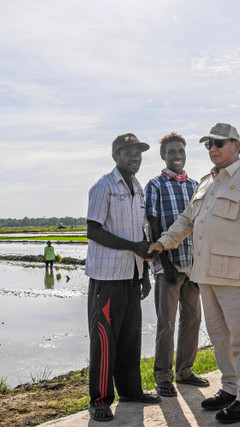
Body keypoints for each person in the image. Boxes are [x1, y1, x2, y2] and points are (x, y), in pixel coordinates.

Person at [148, 123, 240, 424]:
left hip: (237, 274)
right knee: (219, 336)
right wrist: (164, 242)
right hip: (205, 274)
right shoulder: (205, 183)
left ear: (237, 146)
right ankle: (231, 387)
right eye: (209, 145)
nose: (213, 149)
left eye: (219, 143)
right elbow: (185, 221)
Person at [84, 133, 160, 423]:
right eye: (128, 152)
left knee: (130, 337)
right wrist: (133, 247)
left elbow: (139, 233)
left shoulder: (137, 189)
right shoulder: (103, 187)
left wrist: (144, 273)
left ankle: (130, 391)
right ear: (116, 156)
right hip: (108, 277)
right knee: (105, 339)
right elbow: (94, 230)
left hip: (131, 274)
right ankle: (100, 400)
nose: (135, 157)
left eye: (138, 153)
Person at [144, 132, 209, 397]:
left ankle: (185, 371)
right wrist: (165, 263)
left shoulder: (195, 185)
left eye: (180, 151)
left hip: (192, 264)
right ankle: (163, 377)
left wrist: (199, 265)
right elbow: (154, 224)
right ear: (163, 156)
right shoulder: (155, 185)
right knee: (166, 323)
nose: (177, 156)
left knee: (193, 319)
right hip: (168, 265)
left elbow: (200, 226)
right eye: (171, 152)